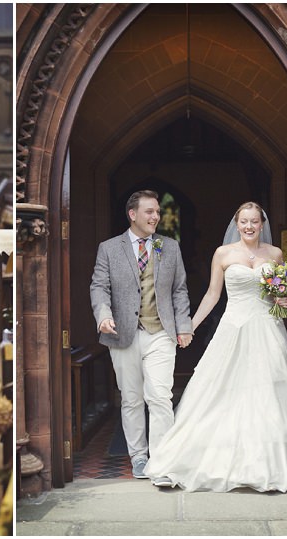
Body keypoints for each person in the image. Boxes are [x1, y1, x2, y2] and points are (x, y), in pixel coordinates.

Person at [144, 202, 287, 492]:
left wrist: (282, 299)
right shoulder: (223, 254)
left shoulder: (275, 254)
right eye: (244, 222)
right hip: (233, 328)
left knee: (267, 394)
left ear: (262, 224)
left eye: (254, 222)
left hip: (266, 329)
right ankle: (199, 461)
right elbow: (212, 295)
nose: (249, 227)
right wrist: (189, 326)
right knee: (219, 391)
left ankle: (267, 466)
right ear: (236, 224)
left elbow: (277, 295)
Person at [90, 190, 193, 480]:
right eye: (149, 212)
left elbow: (179, 289)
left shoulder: (168, 247)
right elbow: (99, 286)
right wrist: (103, 315)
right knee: (132, 399)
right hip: (123, 333)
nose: (156, 217)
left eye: (158, 212)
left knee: (160, 396)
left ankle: (161, 460)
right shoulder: (109, 248)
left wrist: (183, 325)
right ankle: (138, 456)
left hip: (161, 331)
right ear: (132, 214)